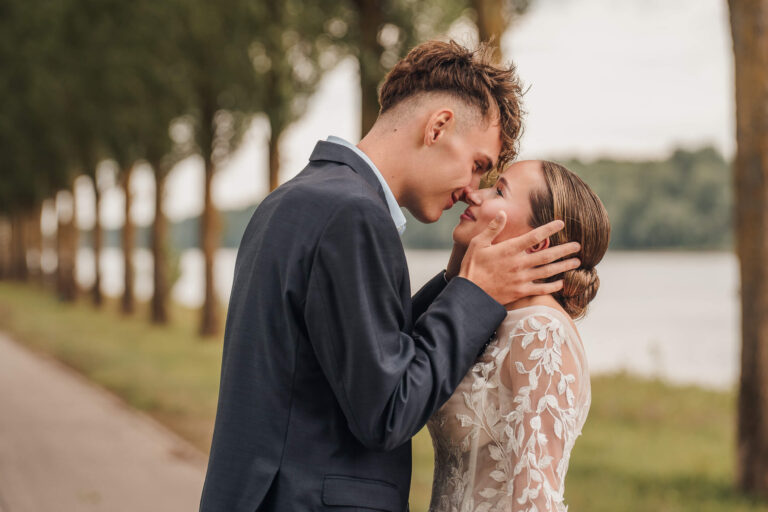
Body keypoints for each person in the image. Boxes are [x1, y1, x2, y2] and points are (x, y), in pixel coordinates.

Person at [199, 41, 581, 512]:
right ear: (439, 126)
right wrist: (474, 294)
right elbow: (387, 410)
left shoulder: (295, 199)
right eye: (479, 165)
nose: (470, 189)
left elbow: (359, 351)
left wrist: (455, 281)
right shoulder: (353, 216)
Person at [427, 160, 610, 512]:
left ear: (537, 243)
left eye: (499, 191)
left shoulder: (540, 331)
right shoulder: (490, 317)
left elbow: (536, 501)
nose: (473, 195)